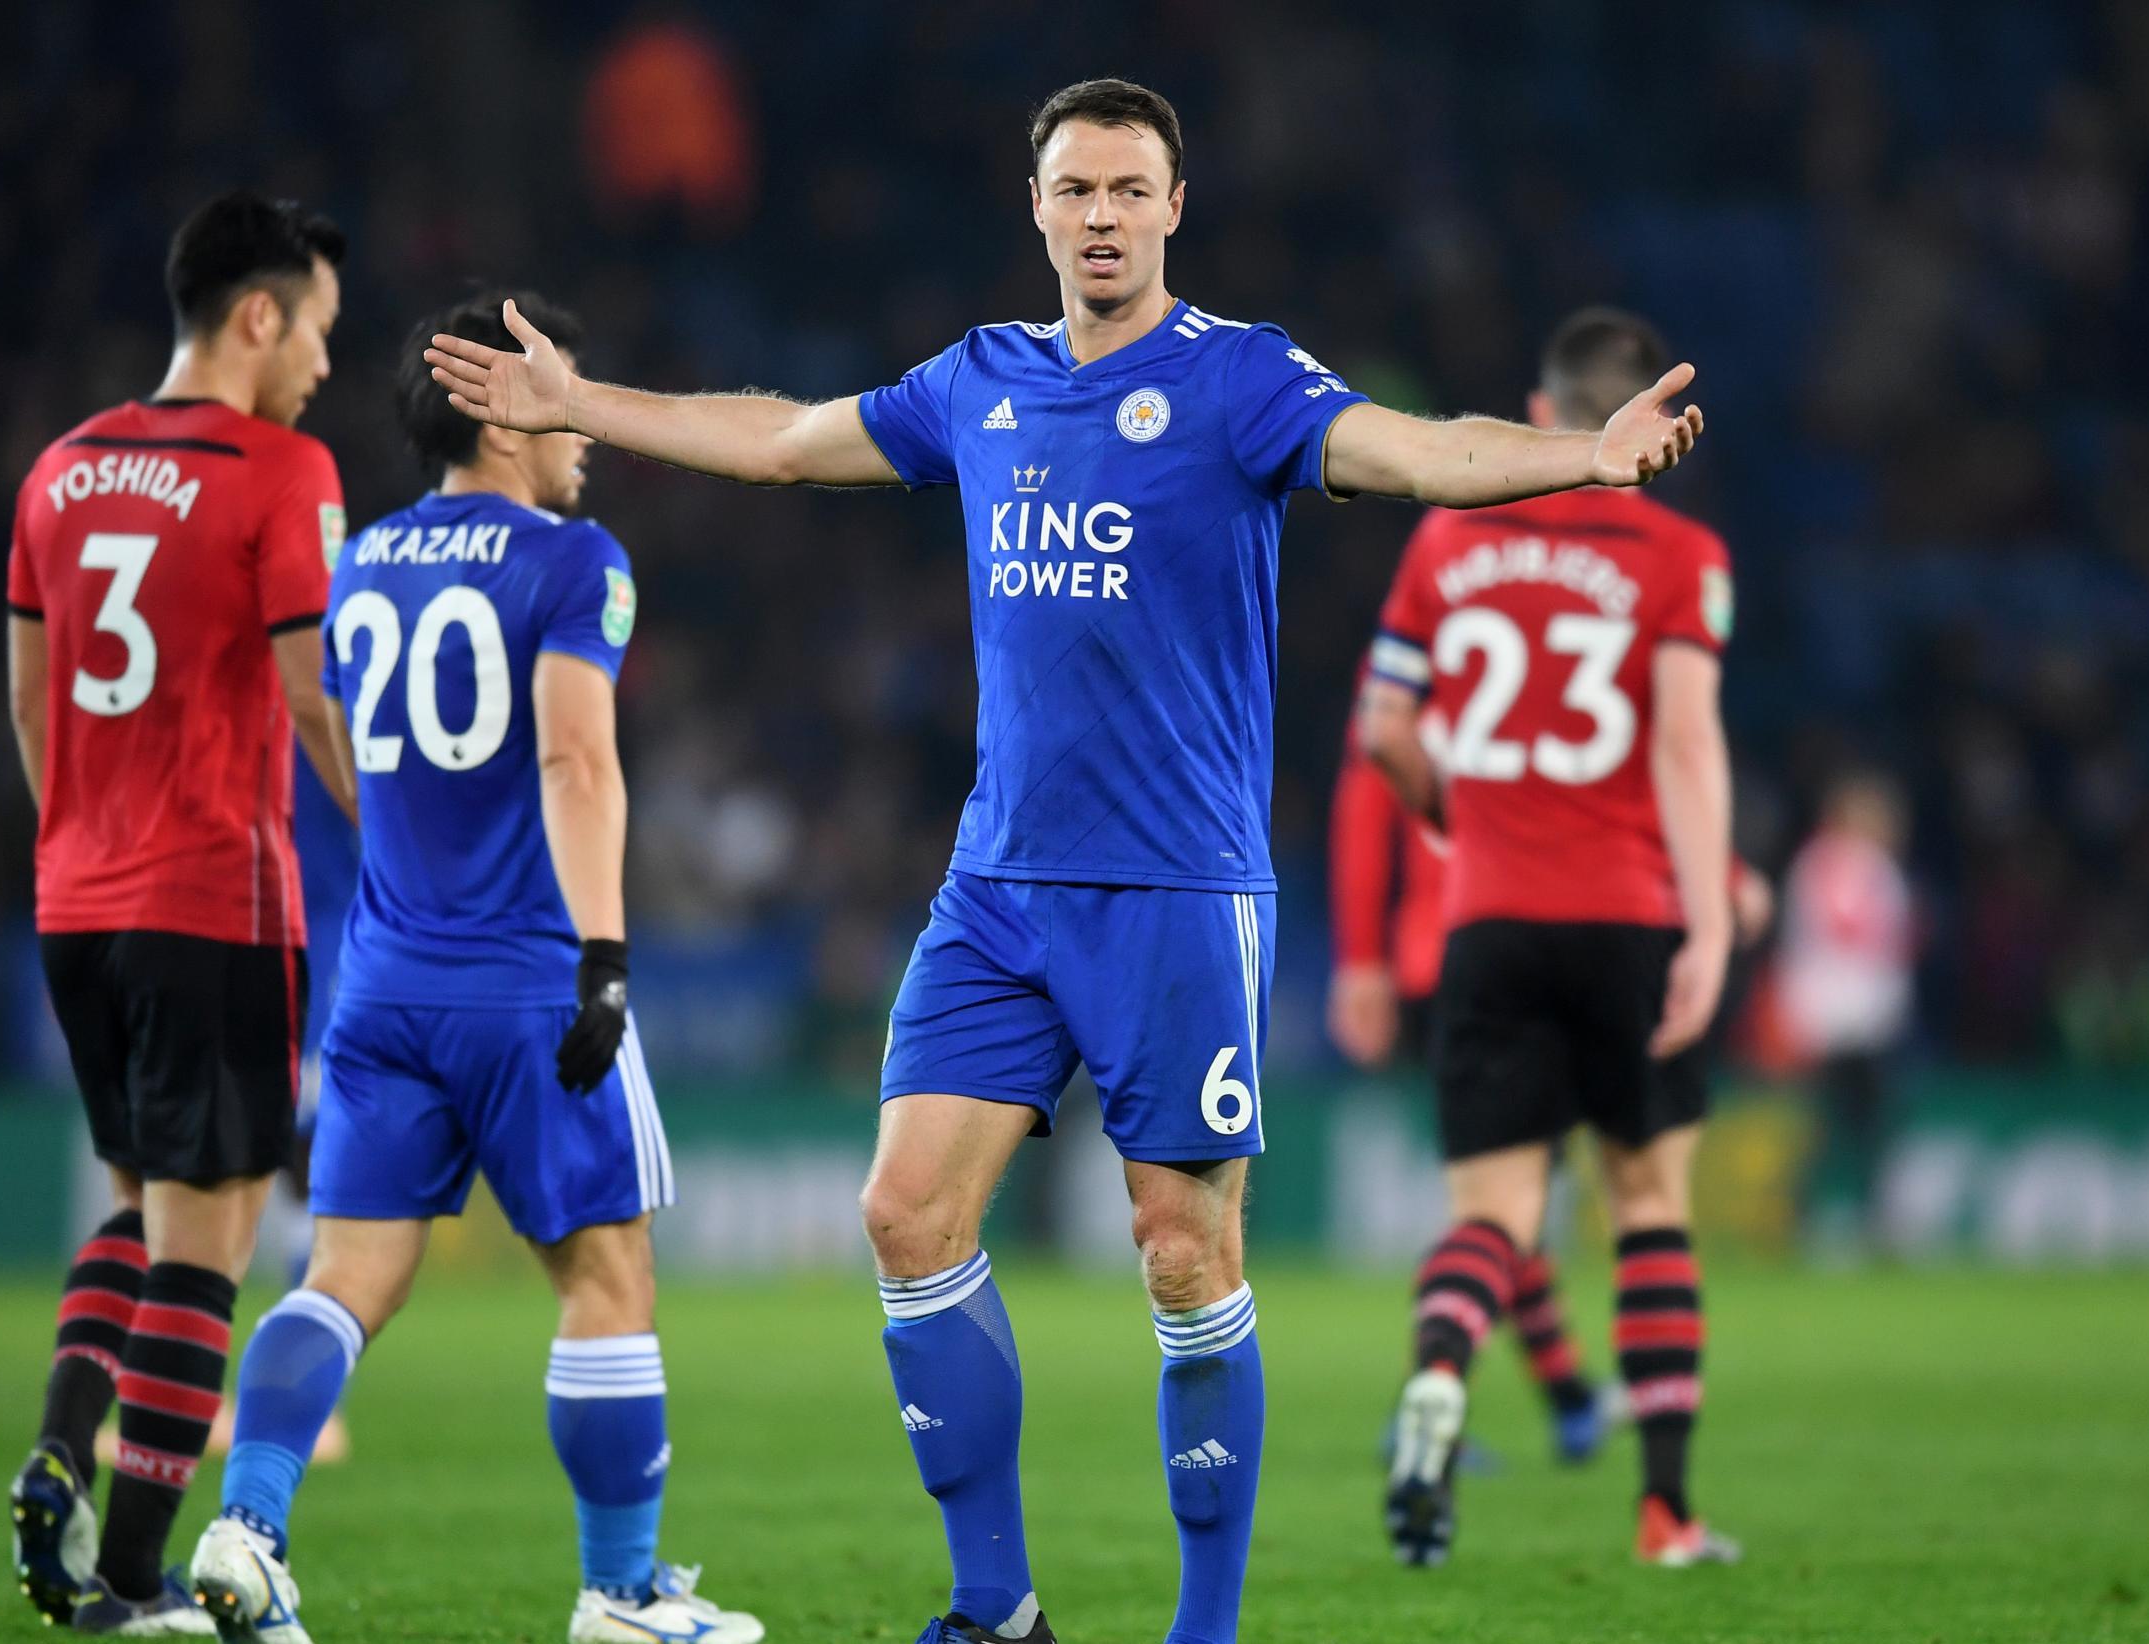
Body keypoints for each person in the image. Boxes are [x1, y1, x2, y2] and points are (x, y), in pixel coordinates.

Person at [428, 81, 1702, 1644]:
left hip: (1177, 891)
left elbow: (1422, 453)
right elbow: (776, 442)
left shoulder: (1238, 382)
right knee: (906, 1214)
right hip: (1000, 888)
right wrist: (582, 403)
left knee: (1182, 1250)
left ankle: (1205, 1629)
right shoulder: (981, 381)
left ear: (1176, 207)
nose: (1099, 213)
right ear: (1033, 206)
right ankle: (995, 1610)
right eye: (1073, 187)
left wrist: (1588, 454)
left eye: (1127, 188)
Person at [185, 294, 761, 1644]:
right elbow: (572, 757)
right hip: (524, 984)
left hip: (381, 984)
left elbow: (324, 727)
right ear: (505, 410)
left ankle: (247, 1530)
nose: (581, 433)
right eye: (558, 396)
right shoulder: (573, 563)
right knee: (607, 1280)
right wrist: (603, 959)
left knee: (343, 1278)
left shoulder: (367, 562)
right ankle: (619, 1595)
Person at [4, 190, 352, 1635]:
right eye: (318, 329)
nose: (326, 363)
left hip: (76, 894)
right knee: (208, 1247)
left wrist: (85, 835)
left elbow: (29, 700)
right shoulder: (281, 470)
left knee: (137, 1205)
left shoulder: (57, 469)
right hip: (215, 895)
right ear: (256, 316)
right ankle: (134, 1579)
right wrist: (391, 845)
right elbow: (310, 689)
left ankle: (52, 1456)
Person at [1358, 306, 1740, 1569]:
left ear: (1540, 413)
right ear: (1655, 418)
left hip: (1491, 920)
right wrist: (1712, 929)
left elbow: (1383, 734)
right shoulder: (1681, 553)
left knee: (1497, 1218)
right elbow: (1686, 747)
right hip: (1630, 917)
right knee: (1646, 1205)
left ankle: (1436, 1380)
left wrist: (1451, 820)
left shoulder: (1444, 542)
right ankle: (1667, 1512)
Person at [1328, 717, 1620, 1464]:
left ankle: (1569, 1399)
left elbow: (1365, 805)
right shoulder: (1545, 632)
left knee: (1502, 1207)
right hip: (1525, 945)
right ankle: (1430, 1395)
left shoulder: (1411, 665)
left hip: (1436, 957)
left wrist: (1363, 956)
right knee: (1501, 1211)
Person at [1778, 771, 1914, 1249]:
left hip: (1852, 1018)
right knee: (1840, 1127)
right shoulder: (1842, 866)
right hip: (1844, 1020)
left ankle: (1857, 1219)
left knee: (1857, 1127)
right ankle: (1820, 1219)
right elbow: (1856, 937)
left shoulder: (1830, 865)